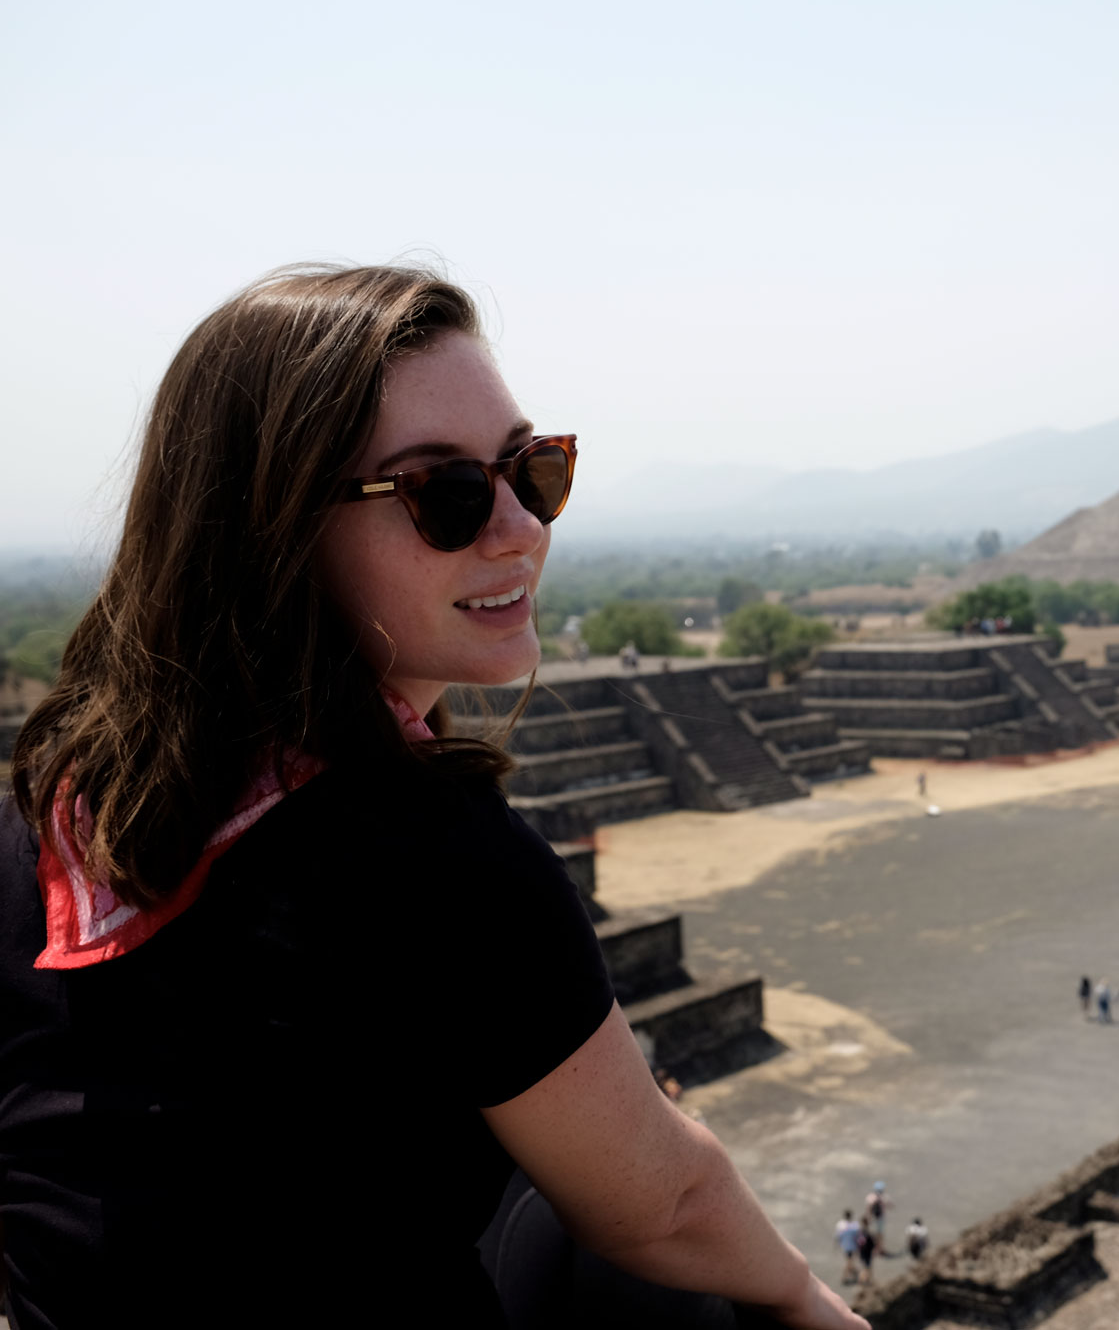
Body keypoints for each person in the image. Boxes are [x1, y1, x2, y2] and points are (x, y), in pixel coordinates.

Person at [0, 266, 864, 1328]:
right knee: (660, 1288)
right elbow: (666, 1203)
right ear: (272, 533)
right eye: (443, 495)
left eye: (532, 470)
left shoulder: (51, 814)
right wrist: (809, 1299)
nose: (518, 528)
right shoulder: (432, 861)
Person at [836, 1211, 861, 1285]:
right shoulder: (855, 1226)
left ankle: (854, 1272)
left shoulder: (840, 1225)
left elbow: (838, 1236)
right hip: (852, 1246)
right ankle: (844, 1277)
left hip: (845, 1246)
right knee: (849, 1262)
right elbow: (858, 1236)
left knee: (849, 1260)